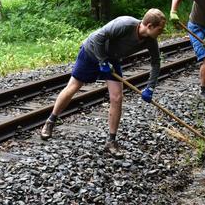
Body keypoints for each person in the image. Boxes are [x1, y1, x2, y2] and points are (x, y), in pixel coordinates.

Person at [40, 9, 166, 156]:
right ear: (149, 26)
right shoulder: (124, 24)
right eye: (160, 29)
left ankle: (111, 141)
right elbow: (99, 37)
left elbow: (156, 63)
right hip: (91, 51)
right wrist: (102, 61)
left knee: (117, 97)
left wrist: (150, 87)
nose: (162, 32)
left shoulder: (151, 40)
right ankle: (50, 121)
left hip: (112, 59)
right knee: (74, 86)